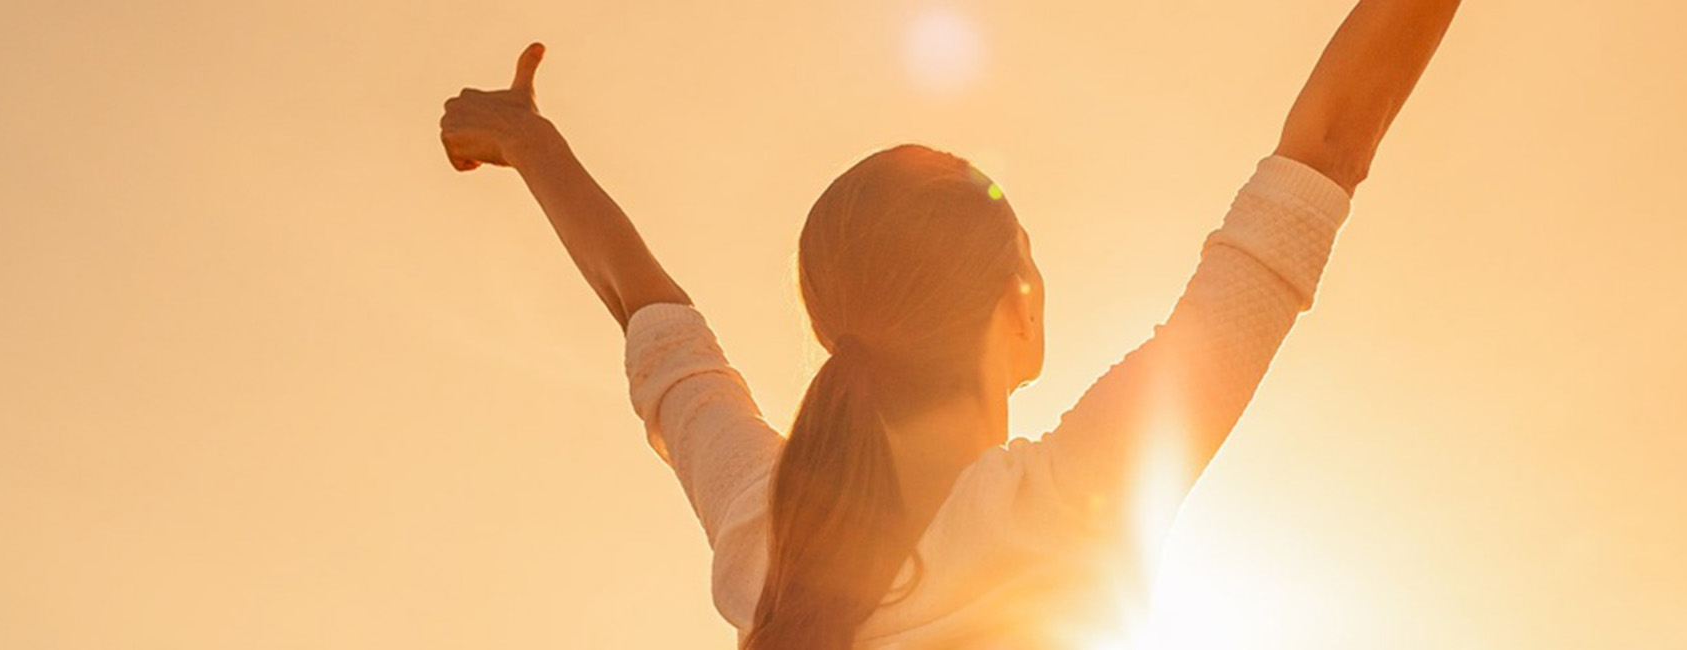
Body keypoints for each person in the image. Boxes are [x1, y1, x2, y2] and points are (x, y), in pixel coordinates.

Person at [437, 2, 1459, 647]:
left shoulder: (767, 535)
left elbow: (651, 317)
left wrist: (533, 144)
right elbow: (1327, 145)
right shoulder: (1071, 500)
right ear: (1024, 310)